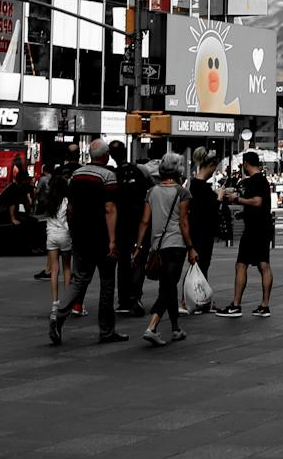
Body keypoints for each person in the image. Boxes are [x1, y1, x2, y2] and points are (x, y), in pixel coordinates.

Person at [49, 139, 123, 346]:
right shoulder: (108, 176)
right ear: (106, 155)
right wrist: (112, 240)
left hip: (81, 235)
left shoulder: (77, 175)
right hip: (101, 236)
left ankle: (58, 314)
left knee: (79, 279)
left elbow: (70, 208)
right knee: (107, 283)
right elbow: (110, 208)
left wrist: (73, 231)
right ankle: (106, 331)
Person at [135, 153, 192, 346]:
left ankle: (175, 328)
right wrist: (191, 247)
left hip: (157, 247)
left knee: (167, 285)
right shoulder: (182, 193)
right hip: (176, 245)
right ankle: (152, 327)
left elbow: (144, 222)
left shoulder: (151, 192)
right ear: (177, 169)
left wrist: (138, 246)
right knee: (168, 288)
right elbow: (184, 223)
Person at [219, 150, 273, 318]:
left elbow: (257, 202)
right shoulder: (263, 180)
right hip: (264, 227)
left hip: (254, 230)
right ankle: (264, 305)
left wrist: (237, 199)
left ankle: (236, 305)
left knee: (241, 264)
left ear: (246, 163)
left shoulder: (254, 181)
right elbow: (260, 206)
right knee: (264, 264)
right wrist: (244, 213)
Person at [108, 140, 152, 315]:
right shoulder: (139, 172)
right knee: (138, 258)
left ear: (112, 156)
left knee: (123, 262)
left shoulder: (113, 175)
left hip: (120, 225)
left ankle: (124, 300)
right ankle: (135, 296)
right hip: (138, 223)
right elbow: (147, 194)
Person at [186, 149, 221, 313]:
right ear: (211, 165)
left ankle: (201, 299)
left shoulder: (195, 184)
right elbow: (207, 210)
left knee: (201, 265)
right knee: (200, 265)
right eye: (215, 167)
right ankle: (193, 299)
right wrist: (219, 197)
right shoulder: (200, 187)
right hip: (201, 231)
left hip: (198, 230)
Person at [39, 164, 72, 302]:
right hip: (64, 235)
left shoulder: (50, 202)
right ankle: (67, 300)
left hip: (51, 236)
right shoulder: (67, 202)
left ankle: (55, 301)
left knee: (54, 270)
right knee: (66, 267)